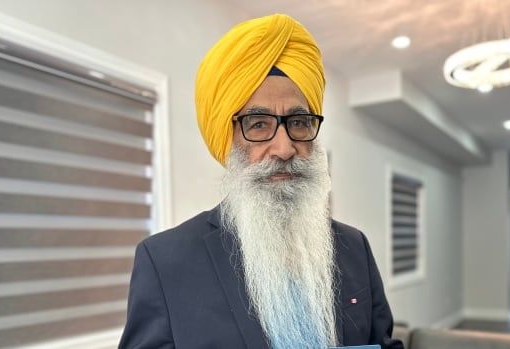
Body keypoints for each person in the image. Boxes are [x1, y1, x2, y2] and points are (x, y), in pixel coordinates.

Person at [119, 13, 403, 349]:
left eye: (298, 122)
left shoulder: (354, 246)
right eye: (257, 124)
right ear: (228, 140)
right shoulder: (165, 261)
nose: (284, 148)